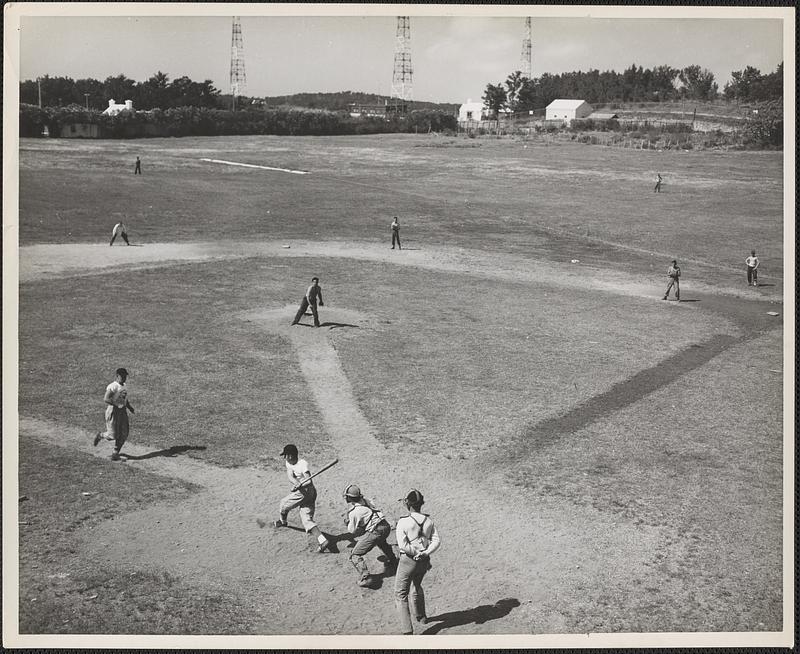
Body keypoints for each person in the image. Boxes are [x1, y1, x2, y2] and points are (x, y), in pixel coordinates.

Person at [394, 489, 440, 635]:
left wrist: (416, 553)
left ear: (407, 503)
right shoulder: (429, 521)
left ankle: (407, 630)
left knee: (400, 594)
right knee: (417, 585)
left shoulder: (403, 522)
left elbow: (403, 546)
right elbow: (436, 540)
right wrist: (425, 553)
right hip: (424, 561)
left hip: (408, 560)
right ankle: (421, 616)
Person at [275, 444, 331, 553]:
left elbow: (309, 481)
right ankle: (322, 540)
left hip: (306, 492)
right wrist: (296, 483)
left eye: (285, 455)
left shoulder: (303, 464)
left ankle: (283, 521)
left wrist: (301, 485)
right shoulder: (289, 463)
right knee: (306, 519)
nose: (284, 457)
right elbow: (290, 475)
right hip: (304, 491)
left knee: (283, 504)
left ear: (290, 455)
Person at [343, 484, 398, 587]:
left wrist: (348, 521)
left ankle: (366, 577)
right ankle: (393, 561)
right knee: (381, 542)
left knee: (355, 555)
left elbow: (352, 531)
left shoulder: (353, 513)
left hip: (376, 531)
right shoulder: (366, 501)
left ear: (350, 498)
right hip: (385, 526)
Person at [94, 367, 135, 460]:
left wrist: (129, 407)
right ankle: (100, 435)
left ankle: (115, 453)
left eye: (125, 376)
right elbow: (106, 398)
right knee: (113, 435)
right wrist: (117, 404)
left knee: (124, 433)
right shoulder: (113, 386)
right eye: (122, 376)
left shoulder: (124, 385)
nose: (124, 378)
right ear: (117, 376)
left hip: (122, 412)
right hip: (113, 411)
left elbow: (125, 399)